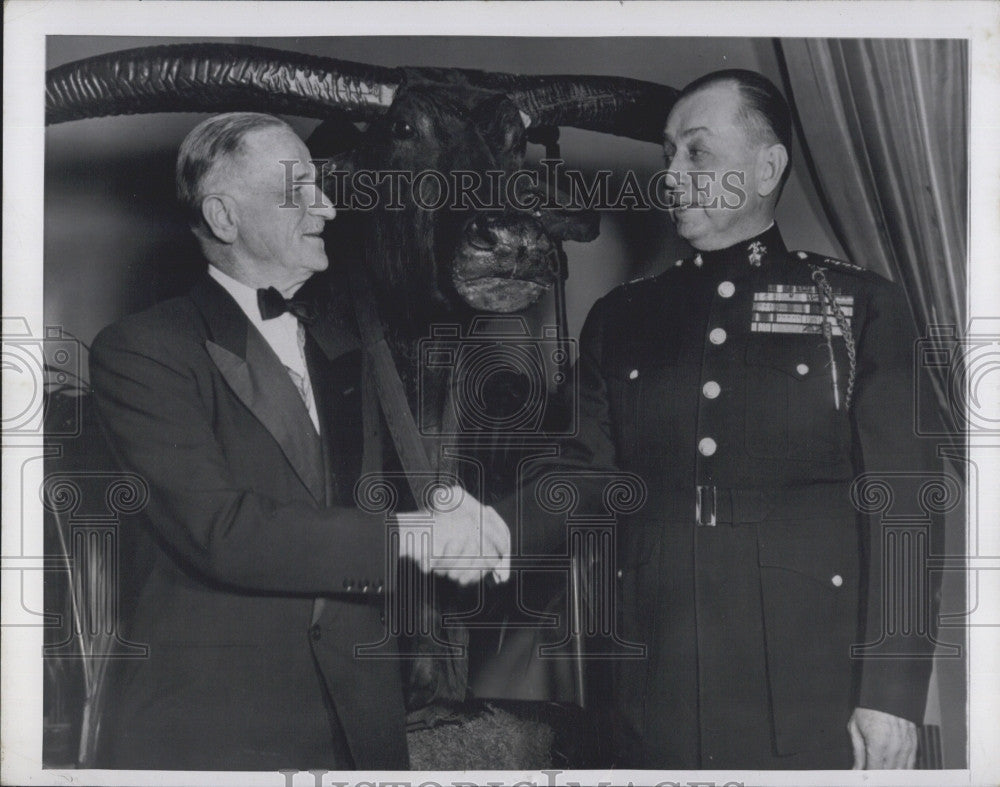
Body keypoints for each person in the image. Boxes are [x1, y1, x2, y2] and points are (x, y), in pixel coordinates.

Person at [532, 70, 942, 769]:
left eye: (698, 152)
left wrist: (892, 692)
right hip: (649, 690)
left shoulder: (860, 306)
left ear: (766, 166)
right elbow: (575, 477)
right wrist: (481, 525)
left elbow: (905, 505)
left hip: (812, 693)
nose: (672, 175)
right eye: (668, 155)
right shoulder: (621, 320)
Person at [89, 112, 508, 770]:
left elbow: (380, 498)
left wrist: (456, 509)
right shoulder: (141, 351)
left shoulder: (348, 344)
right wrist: (419, 535)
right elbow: (223, 531)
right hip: (212, 730)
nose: (327, 206)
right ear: (224, 218)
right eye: (299, 188)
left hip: (357, 724)